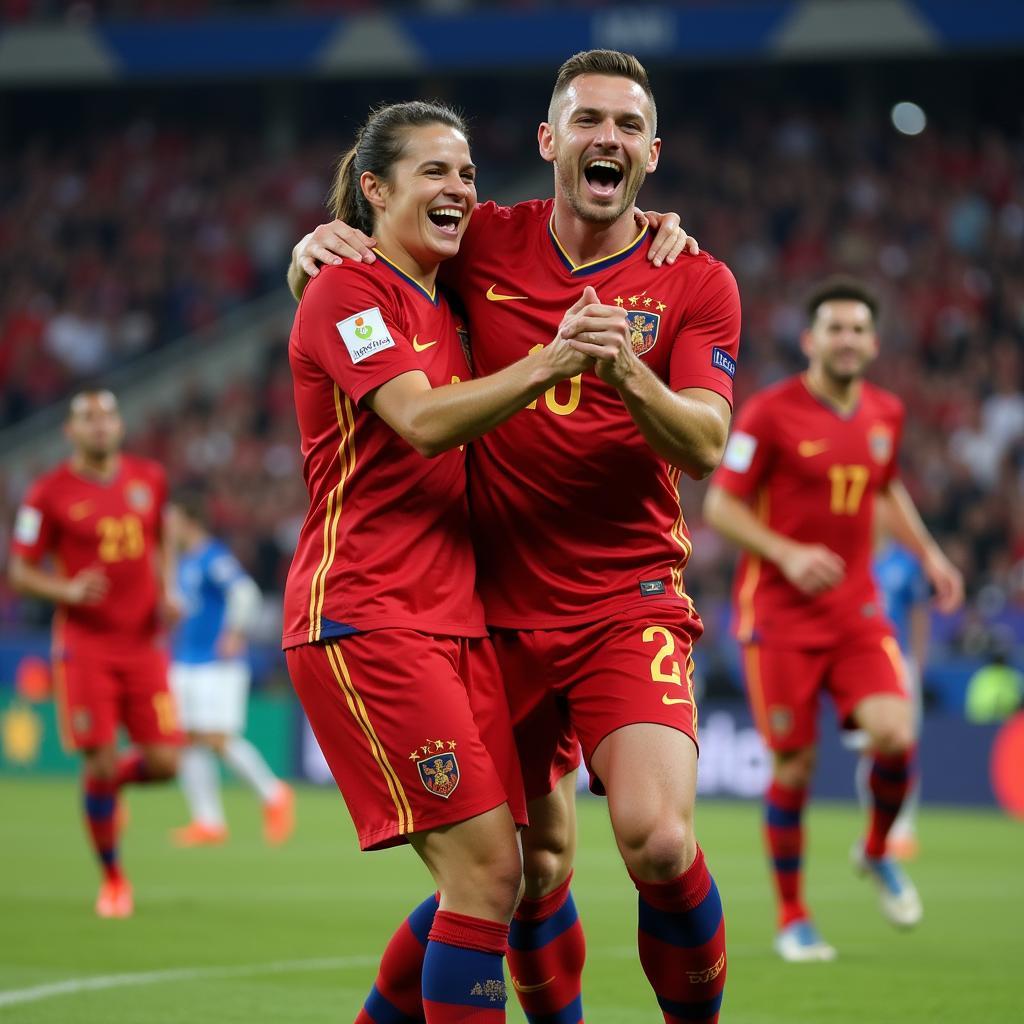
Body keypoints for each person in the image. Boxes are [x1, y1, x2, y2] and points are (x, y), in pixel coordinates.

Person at [290, 51, 737, 1024]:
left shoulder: (692, 277)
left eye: (627, 125)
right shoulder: (481, 243)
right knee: (520, 870)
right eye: (586, 120)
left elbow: (705, 442)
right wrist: (317, 244)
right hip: (490, 612)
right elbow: (381, 258)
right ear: (550, 140)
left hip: (624, 602)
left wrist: (626, 369)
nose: (605, 138)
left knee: (656, 840)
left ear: (651, 153)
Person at [285, 99, 598, 1024]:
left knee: (534, 864)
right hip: (367, 614)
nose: (459, 188)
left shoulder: (448, 295)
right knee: (488, 871)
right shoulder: (350, 289)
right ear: (374, 189)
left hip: (460, 620)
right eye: (434, 172)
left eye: (466, 173)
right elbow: (419, 421)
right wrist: (548, 363)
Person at [703, 276, 964, 962]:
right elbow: (721, 508)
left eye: (857, 329)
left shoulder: (885, 412)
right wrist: (786, 553)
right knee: (792, 770)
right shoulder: (768, 413)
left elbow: (885, 487)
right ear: (810, 339)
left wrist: (930, 555)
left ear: (873, 343)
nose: (846, 339)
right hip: (780, 618)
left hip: (856, 610)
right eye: (834, 328)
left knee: (895, 732)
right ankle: (793, 916)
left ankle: (876, 849)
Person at [7, 389, 181, 918]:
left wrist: (167, 588)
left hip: (144, 643)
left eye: (109, 415)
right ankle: (113, 878)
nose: (101, 426)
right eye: (89, 419)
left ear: (120, 426)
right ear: (71, 431)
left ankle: (108, 789)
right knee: (100, 760)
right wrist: (66, 591)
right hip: (86, 648)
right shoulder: (47, 494)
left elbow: (161, 534)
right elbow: (19, 571)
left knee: (165, 762)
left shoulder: (148, 478)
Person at [167, 488, 294, 847]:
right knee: (188, 739)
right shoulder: (183, 561)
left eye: (172, 520)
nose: (167, 527)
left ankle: (274, 794)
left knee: (216, 739)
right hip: (187, 659)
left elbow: (245, 593)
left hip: (216, 663)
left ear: (189, 521)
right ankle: (208, 821)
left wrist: (236, 632)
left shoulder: (212, 557)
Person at [858, 527, 932, 860]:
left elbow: (919, 614)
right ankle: (875, 823)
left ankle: (902, 828)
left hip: (899, 662)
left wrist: (916, 661)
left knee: (903, 745)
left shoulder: (905, 563)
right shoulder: (852, 557)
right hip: (861, 663)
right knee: (869, 749)